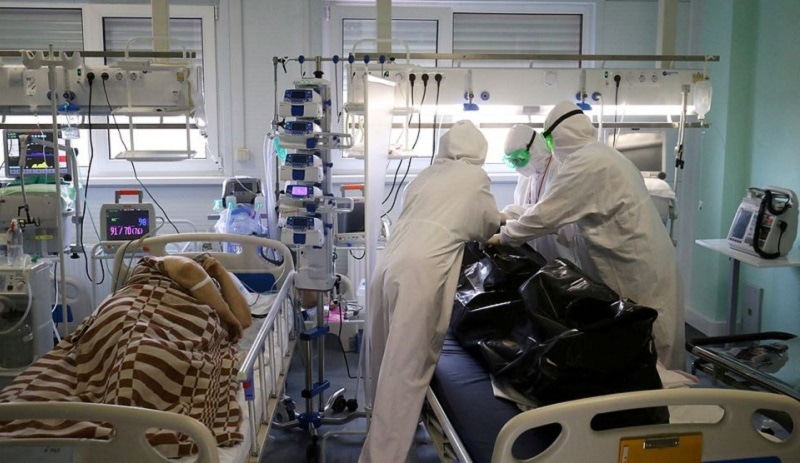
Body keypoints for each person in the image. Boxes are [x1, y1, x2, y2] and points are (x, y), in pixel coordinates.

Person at [487, 101, 684, 370]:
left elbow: (547, 214)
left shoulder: (588, 163)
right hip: (630, 261)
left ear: (560, 134)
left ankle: (671, 405)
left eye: (549, 138)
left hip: (639, 269)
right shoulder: (596, 155)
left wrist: (504, 237)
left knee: (652, 341)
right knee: (633, 342)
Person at [360, 120, 501, 463]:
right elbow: (487, 225)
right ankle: (383, 457)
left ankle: (377, 438)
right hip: (420, 274)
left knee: (382, 361)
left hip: (388, 265)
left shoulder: (424, 177)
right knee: (405, 372)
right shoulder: (475, 178)